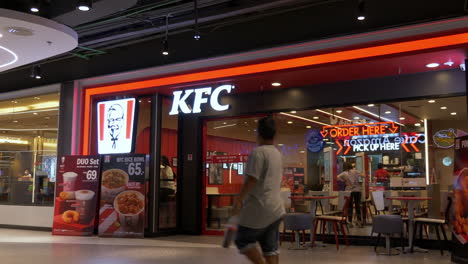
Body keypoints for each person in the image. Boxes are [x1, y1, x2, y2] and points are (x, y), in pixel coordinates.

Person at [233, 116, 285, 264]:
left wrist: (238, 200)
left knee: (242, 239)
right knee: (271, 249)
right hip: (276, 210)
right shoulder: (277, 153)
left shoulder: (258, 153)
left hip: (260, 208)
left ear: (259, 134)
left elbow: (252, 179)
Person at [337, 162, 364, 227]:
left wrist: (344, 181)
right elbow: (363, 175)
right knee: (357, 205)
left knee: (350, 206)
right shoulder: (356, 171)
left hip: (349, 191)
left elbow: (337, 177)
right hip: (357, 190)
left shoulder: (344, 173)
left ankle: (350, 221)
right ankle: (359, 221)